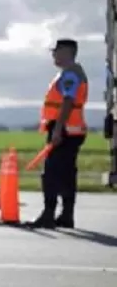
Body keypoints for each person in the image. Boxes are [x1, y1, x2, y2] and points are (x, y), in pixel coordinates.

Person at [28, 38, 88, 228]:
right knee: (67, 174)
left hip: (64, 130)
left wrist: (57, 129)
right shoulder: (73, 73)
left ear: (67, 52)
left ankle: (48, 215)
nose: (53, 55)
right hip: (72, 130)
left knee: (52, 174)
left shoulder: (70, 75)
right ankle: (66, 215)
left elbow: (68, 102)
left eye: (56, 51)